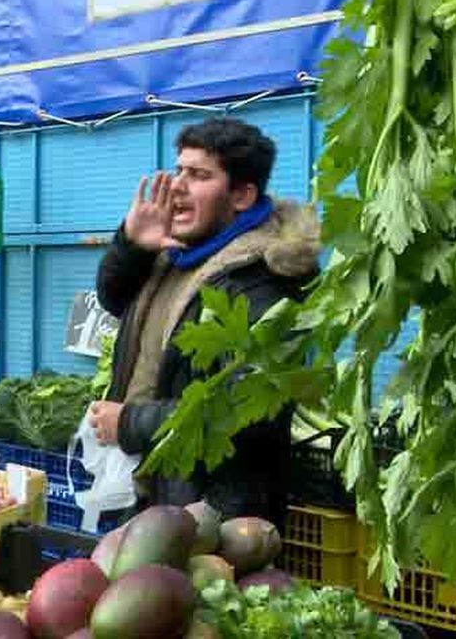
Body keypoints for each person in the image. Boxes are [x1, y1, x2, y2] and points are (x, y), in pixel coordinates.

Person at [88, 117, 321, 527]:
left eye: (198, 175)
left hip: (215, 515)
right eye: (179, 169)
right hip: (155, 493)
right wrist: (132, 246)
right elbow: (114, 298)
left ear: (242, 195)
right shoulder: (177, 253)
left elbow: (249, 410)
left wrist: (129, 423)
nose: (177, 185)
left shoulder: (263, 282)